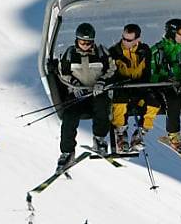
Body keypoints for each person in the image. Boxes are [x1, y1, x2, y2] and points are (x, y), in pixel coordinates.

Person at [56, 22, 116, 168]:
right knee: (69, 116)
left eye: (88, 42)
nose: (85, 45)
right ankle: (67, 152)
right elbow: (63, 73)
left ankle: (99, 139)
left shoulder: (101, 52)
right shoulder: (70, 54)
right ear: (77, 40)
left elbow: (112, 69)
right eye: (82, 42)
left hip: (97, 92)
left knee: (103, 107)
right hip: (78, 95)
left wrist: (102, 82)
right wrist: (74, 84)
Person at [151, 18, 181, 151]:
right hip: (164, 86)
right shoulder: (157, 50)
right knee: (173, 102)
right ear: (172, 32)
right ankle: (173, 134)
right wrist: (163, 78)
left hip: (180, 84)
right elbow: (151, 72)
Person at [108, 23, 157, 151]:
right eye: (123, 38)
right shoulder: (115, 51)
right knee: (120, 100)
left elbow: (147, 72)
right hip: (122, 87)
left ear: (137, 40)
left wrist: (143, 85)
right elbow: (111, 73)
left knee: (153, 101)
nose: (125, 42)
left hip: (139, 86)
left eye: (129, 40)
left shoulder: (145, 50)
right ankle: (120, 132)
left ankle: (141, 131)